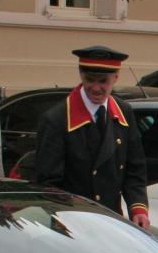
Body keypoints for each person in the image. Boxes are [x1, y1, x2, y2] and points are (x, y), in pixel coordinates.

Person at [34, 45, 149, 227]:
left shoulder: (124, 112)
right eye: (89, 80)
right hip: (73, 223)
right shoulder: (56, 119)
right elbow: (48, 185)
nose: (95, 88)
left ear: (115, 78)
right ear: (81, 75)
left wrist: (138, 208)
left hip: (111, 219)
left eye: (103, 81)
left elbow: (134, 169)